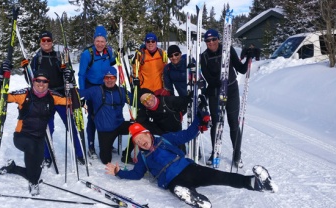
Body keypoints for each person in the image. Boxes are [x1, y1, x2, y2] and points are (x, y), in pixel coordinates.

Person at [105, 121, 278, 208]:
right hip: (172, 180)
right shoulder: (142, 158)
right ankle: (198, 201)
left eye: (142, 137)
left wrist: (199, 121)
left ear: (148, 134)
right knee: (178, 189)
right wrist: (119, 171)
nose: (142, 142)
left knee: (221, 176)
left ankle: (255, 183)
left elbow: (186, 135)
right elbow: (136, 174)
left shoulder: (165, 139)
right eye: (137, 141)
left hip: (189, 168)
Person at [0, 61, 54, 196]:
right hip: (22, 136)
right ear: (33, 81)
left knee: (36, 169)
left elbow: (74, 103)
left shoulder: (52, 96)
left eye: (44, 81)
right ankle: (33, 182)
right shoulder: (24, 94)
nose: (41, 84)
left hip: (40, 138)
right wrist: (1, 76)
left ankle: (13, 169)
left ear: (48, 83)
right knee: (31, 150)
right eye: (38, 81)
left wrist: (70, 83)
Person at [22, 30, 85, 166]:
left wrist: (68, 73)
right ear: (40, 42)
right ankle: (47, 155)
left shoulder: (59, 56)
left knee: (71, 126)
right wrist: (25, 70)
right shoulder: (36, 59)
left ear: (52, 42)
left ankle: (79, 154)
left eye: (48, 40)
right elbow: (30, 80)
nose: (46, 43)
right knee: (47, 127)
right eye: (43, 40)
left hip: (62, 96)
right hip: (45, 98)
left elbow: (67, 73)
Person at [200, 29, 250, 168]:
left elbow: (241, 69)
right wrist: (219, 82)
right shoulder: (203, 57)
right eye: (208, 41)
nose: (211, 43)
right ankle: (215, 152)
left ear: (219, 39)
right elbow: (208, 78)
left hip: (232, 91)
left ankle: (237, 154)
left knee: (233, 123)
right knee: (216, 124)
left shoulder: (228, 50)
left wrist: (248, 58)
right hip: (216, 93)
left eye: (214, 40)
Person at [121, 88, 203, 163]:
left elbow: (186, 100)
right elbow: (139, 121)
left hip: (175, 132)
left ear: (153, 95)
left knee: (181, 155)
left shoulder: (168, 101)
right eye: (144, 101)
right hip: (161, 132)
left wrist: (199, 100)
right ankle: (127, 154)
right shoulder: (145, 110)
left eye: (148, 97)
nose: (148, 102)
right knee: (138, 130)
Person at [78, 25, 116, 159]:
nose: (100, 44)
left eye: (102, 41)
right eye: (97, 41)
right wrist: (82, 93)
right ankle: (91, 145)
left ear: (106, 41)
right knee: (93, 117)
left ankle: (106, 142)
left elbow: (113, 63)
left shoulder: (109, 52)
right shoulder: (87, 54)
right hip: (91, 87)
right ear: (94, 41)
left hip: (105, 86)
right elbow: (81, 74)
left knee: (106, 115)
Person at [79, 67, 131, 164]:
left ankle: (127, 153)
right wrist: (69, 86)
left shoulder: (122, 91)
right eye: (107, 78)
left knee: (140, 128)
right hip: (105, 130)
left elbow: (136, 100)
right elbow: (79, 93)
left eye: (112, 78)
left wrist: (138, 89)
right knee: (106, 160)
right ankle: (107, 147)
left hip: (119, 125)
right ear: (103, 79)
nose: (109, 80)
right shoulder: (95, 91)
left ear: (116, 78)